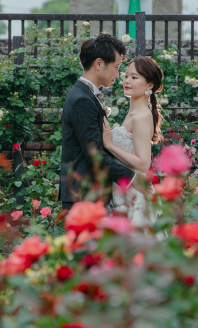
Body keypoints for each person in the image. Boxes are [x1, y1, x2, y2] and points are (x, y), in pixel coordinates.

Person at [59, 34, 135, 211]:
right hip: (83, 196)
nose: (118, 74)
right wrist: (130, 178)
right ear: (99, 64)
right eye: (116, 67)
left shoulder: (83, 94)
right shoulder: (82, 99)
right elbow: (94, 153)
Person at [101, 56, 164, 228]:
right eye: (126, 76)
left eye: (134, 77)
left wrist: (109, 145)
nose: (127, 81)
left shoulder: (141, 116)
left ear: (149, 85)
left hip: (135, 194)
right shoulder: (133, 114)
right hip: (125, 191)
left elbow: (143, 163)